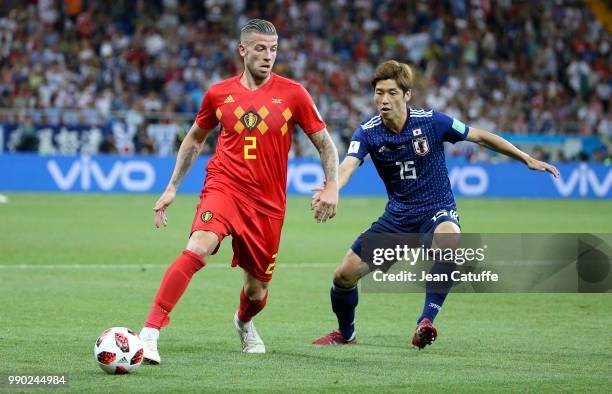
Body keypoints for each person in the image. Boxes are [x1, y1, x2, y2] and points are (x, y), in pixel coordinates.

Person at [312, 60, 559, 348]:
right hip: (398, 219)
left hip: (436, 209)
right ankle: (346, 334)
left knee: (449, 237)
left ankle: (426, 321)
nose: (384, 100)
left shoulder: (431, 121)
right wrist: (333, 187)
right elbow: (348, 166)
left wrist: (525, 158)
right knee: (343, 276)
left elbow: (478, 136)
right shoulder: (368, 131)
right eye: (379, 92)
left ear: (407, 95)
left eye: (392, 92)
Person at [140, 19, 339, 362]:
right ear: (242, 50)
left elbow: (325, 144)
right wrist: (172, 187)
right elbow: (194, 139)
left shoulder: (294, 93)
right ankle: (149, 332)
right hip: (225, 186)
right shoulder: (218, 93)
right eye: (260, 48)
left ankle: (244, 322)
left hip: (267, 205)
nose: (268, 56)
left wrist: (332, 185)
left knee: (256, 290)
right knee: (199, 246)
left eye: (273, 49)